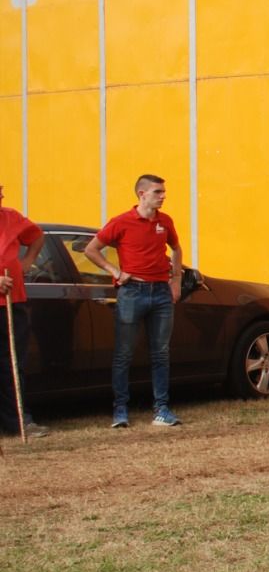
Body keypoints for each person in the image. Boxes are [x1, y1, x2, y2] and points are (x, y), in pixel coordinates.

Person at [85, 174, 185, 427]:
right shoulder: (122, 222)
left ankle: (161, 409)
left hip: (161, 291)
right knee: (124, 353)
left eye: (163, 192)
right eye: (157, 192)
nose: (163, 196)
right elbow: (91, 249)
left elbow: (176, 248)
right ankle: (120, 410)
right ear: (141, 194)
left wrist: (175, 281)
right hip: (132, 291)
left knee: (161, 352)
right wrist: (115, 271)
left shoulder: (165, 221)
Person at [0, 181, 47, 439]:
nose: (2, 195)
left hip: (12, 302)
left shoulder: (11, 217)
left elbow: (36, 236)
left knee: (12, 362)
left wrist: (26, 261)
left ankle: (18, 421)